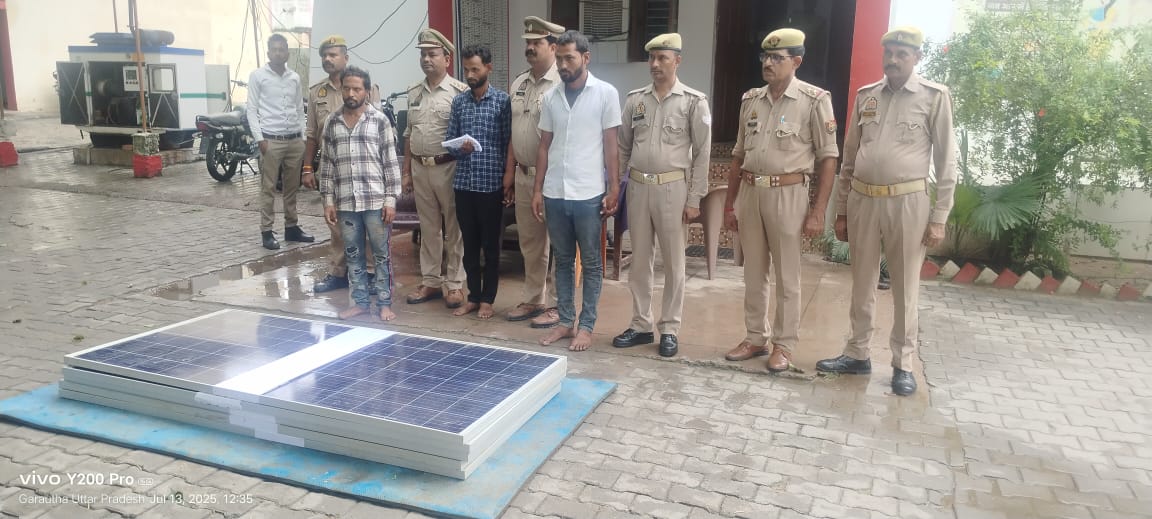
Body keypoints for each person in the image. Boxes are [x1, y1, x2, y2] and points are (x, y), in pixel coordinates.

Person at [816, 27, 957, 396]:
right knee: (861, 281)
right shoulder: (867, 96)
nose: (893, 60)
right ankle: (857, 353)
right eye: (889, 52)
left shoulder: (934, 97)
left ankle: (903, 364)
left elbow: (946, 162)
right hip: (863, 200)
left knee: (905, 286)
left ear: (916, 57)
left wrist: (939, 217)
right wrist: (841, 210)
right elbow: (849, 156)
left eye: (902, 54)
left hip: (907, 203)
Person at [722, 28, 839, 372]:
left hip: (788, 194)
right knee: (754, 273)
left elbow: (828, 157)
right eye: (765, 57)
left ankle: (784, 345)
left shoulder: (814, 100)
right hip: (751, 192)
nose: (768, 63)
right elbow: (738, 155)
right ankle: (755, 337)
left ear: (796, 61)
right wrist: (730, 204)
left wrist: (818, 210)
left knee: (788, 275)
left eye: (777, 57)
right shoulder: (751, 100)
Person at [612, 33, 712, 358]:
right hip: (638, 187)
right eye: (651, 58)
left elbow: (703, 153)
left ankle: (669, 328)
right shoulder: (635, 100)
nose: (655, 64)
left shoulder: (693, 102)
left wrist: (695, 198)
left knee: (673, 262)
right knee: (640, 260)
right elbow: (623, 146)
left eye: (662, 58)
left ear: (677, 61)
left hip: (673, 188)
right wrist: (617, 186)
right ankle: (641, 324)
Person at [531, 30, 622, 352]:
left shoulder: (605, 93)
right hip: (555, 192)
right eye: (559, 59)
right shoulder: (551, 97)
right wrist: (538, 190)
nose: (563, 64)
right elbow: (544, 146)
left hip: (588, 194)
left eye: (569, 58)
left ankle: (586, 326)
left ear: (585, 58)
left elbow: (611, 145)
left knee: (593, 263)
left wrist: (614, 187)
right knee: (563, 260)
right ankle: (566, 321)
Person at [317, 66, 402, 321]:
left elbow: (390, 163)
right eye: (347, 88)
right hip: (346, 203)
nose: (351, 94)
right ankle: (360, 303)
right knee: (353, 254)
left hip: (375, 201)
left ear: (367, 91)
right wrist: (328, 201)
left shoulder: (379, 120)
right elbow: (327, 165)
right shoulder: (332, 122)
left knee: (381, 255)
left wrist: (390, 200)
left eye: (357, 89)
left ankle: (385, 304)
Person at [303, 35, 382, 294]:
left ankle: (369, 272)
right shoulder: (317, 92)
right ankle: (339, 272)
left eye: (333, 54)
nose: (327, 59)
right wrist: (307, 168)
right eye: (324, 55)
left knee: (367, 223)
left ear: (345, 58)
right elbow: (312, 134)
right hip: (333, 170)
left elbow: (378, 130)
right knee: (336, 224)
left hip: (363, 169)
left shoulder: (366, 87)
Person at [504, 16, 565, 329]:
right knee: (530, 242)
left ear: (553, 47)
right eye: (527, 42)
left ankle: (558, 305)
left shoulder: (563, 83)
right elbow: (515, 131)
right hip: (524, 175)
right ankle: (533, 299)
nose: (530, 47)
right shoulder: (519, 83)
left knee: (560, 245)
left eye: (536, 43)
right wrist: (510, 172)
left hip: (554, 177)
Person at [402, 29, 469, 309]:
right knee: (428, 227)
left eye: (432, 54)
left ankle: (455, 283)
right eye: (423, 55)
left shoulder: (459, 92)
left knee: (455, 228)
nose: (426, 59)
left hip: (448, 166)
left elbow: (466, 136)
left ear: (447, 59)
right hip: (420, 167)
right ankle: (430, 280)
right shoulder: (414, 92)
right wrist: (406, 171)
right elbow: (408, 134)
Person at [445, 44, 512, 319]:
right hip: (464, 184)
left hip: (491, 185)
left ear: (488, 68)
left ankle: (488, 299)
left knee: (491, 247)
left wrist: (508, 178)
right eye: (466, 70)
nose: (470, 75)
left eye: (475, 69)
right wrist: (460, 148)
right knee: (469, 246)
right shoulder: (459, 102)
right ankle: (473, 296)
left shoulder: (502, 101)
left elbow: (508, 142)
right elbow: (450, 142)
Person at [247, 34, 313, 250]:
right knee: (268, 189)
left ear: (287, 53)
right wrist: (260, 139)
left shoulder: (294, 78)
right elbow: (251, 110)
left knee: (291, 188)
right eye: (274, 49)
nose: (278, 53)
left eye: (282, 49)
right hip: (271, 141)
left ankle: (291, 228)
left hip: (294, 141)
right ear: (268, 53)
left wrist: (303, 138)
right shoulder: (258, 76)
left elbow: (299, 108)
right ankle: (266, 231)